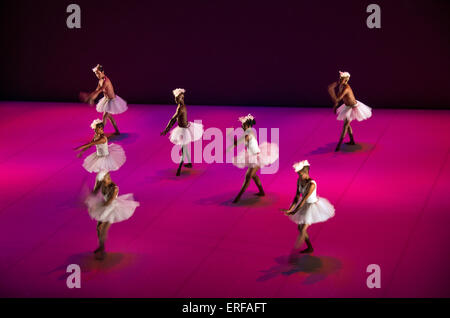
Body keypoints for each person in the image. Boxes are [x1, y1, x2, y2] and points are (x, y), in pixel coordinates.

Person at [281, 160, 335, 253]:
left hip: (312, 207)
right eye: (298, 174)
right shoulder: (299, 180)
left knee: (302, 229)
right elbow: (297, 196)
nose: (299, 176)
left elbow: (304, 199)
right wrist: (290, 209)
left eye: (300, 174)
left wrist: (293, 211)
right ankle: (310, 248)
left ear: (306, 173)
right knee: (300, 228)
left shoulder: (311, 185)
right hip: (304, 205)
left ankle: (294, 254)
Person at [85, 171, 139, 259]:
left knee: (103, 230)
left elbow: (109, 202)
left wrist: (97, 205)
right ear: (102, 180)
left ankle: (102, 250)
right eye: (107, 178)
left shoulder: (114, 188)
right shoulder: (101, 185)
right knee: (98, 228)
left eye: (109, 177)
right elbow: (94, 193)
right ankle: (101, 246)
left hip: (112, 208)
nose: (109, 179)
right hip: (104, 206)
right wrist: (90, 192)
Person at [231, 114, 279, 203]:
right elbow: (237, 143)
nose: (242, 126)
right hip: (252, 156)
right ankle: (261, 192)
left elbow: (239, 142)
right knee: (252, 175)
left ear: (248, 125)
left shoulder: (249, 133)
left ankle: (238, 197)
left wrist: (233, 139)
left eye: (243, 125)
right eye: (242, 125)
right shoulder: (247, 133)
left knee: (248, 176)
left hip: (257, 157)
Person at [161, 88, 204, 176]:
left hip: (185, 130)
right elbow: (173, 119)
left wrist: (166, 129)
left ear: (182, 98)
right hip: (182, 129)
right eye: (175, 98)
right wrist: (167, 129)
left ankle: (179, 168)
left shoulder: (181, 108)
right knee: (184, 147)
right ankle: (189, 163)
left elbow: (173, 120)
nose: (175, 100)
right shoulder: (180, 107)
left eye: (177, 98)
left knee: (183, 149)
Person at [327, 71, 372, 151]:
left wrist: (331, 92)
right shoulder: (341, 86)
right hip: (347, 107)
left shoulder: (347, 88)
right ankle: (352, 141)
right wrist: (335, 106)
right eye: (340, 78)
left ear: (346, 79)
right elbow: (338, 98)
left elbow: (337, 99)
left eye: (342, 78)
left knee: (345, 126)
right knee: (347, 125)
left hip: (353, 107)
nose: (340, 80)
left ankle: (339, 145)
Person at [79, 64, 127, 135]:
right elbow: (96, 90)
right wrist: (91, 97)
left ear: (103, 72)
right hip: (106, 100)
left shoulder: (106, 81)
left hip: (112, 101)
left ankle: (100, 134)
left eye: (98, 73)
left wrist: (90, 97)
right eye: (96, 74)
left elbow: (99, 91)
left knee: (104, 116)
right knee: (109, 117)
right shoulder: (100, 81)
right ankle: (117, 131)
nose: (97, 75)